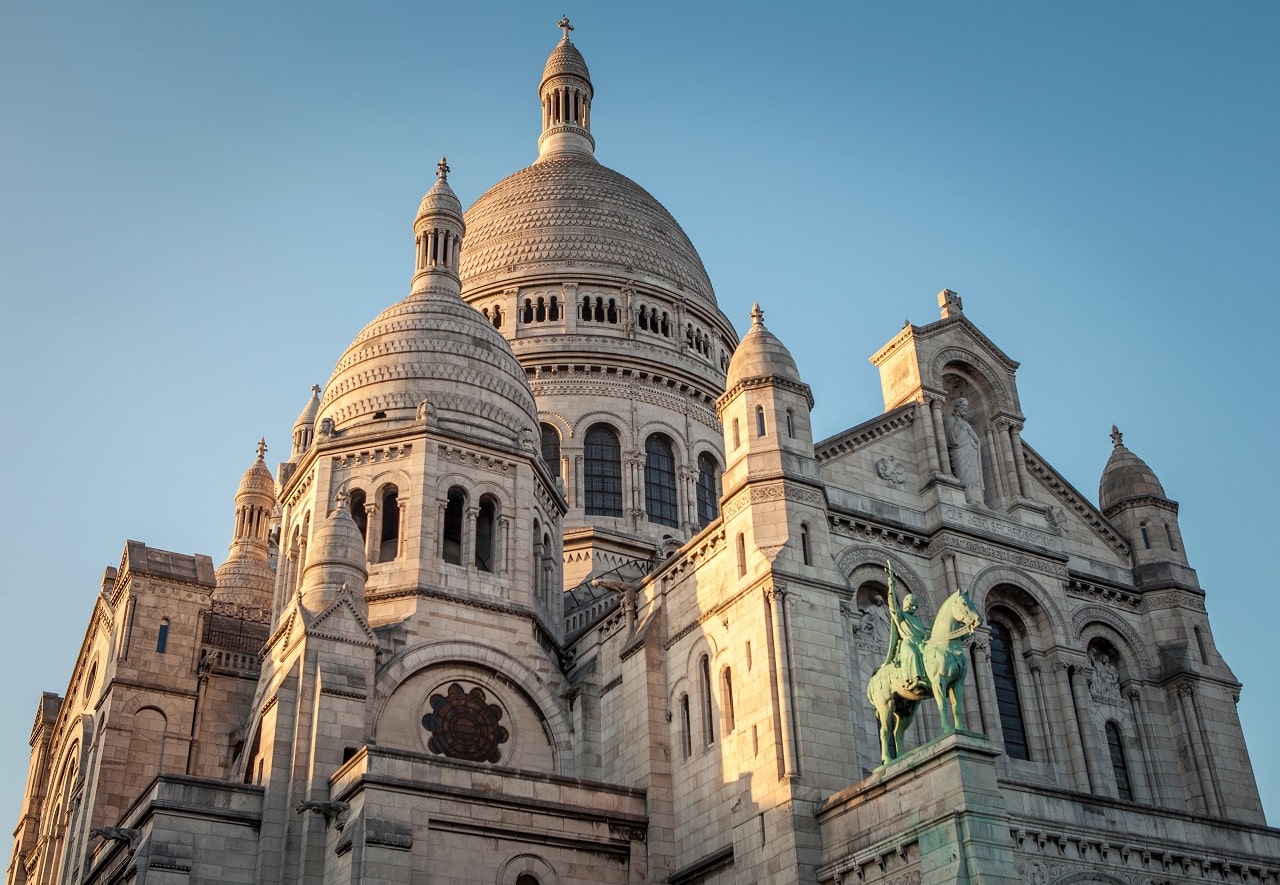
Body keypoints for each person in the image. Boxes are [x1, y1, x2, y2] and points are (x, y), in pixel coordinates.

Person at [944, 397, 985, 506]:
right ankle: (968, 497)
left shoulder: (966, 423)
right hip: (959, 452)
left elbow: (976, 438)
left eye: (966, 407)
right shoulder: (950, 420)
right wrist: (957, 423)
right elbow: (951, 438)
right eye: (963, 407)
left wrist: (976, 442)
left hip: (970, 452)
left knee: (974, 476)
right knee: (964, 474)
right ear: (957, 407)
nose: (965, 409)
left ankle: (978, 500)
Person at [893, 593, 928, 691]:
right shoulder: (900, 615)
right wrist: (892, 589)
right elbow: (893, 606)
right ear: (906, 603)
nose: (913, 608)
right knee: (913, 654)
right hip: (908, 641)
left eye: (915, 606)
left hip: (920, 642)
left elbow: (923, 633)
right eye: (911, 605)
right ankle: (915, 679)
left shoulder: (917, 620)